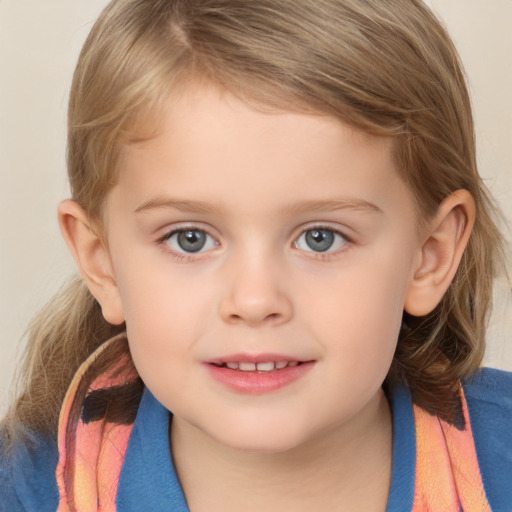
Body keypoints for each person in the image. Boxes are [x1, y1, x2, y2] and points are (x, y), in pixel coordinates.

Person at [1, 0, 511, 510]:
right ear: (102, 261)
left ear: (430, 255)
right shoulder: (28, 489)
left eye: (320, 237)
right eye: (189, 238)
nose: (254, 300)